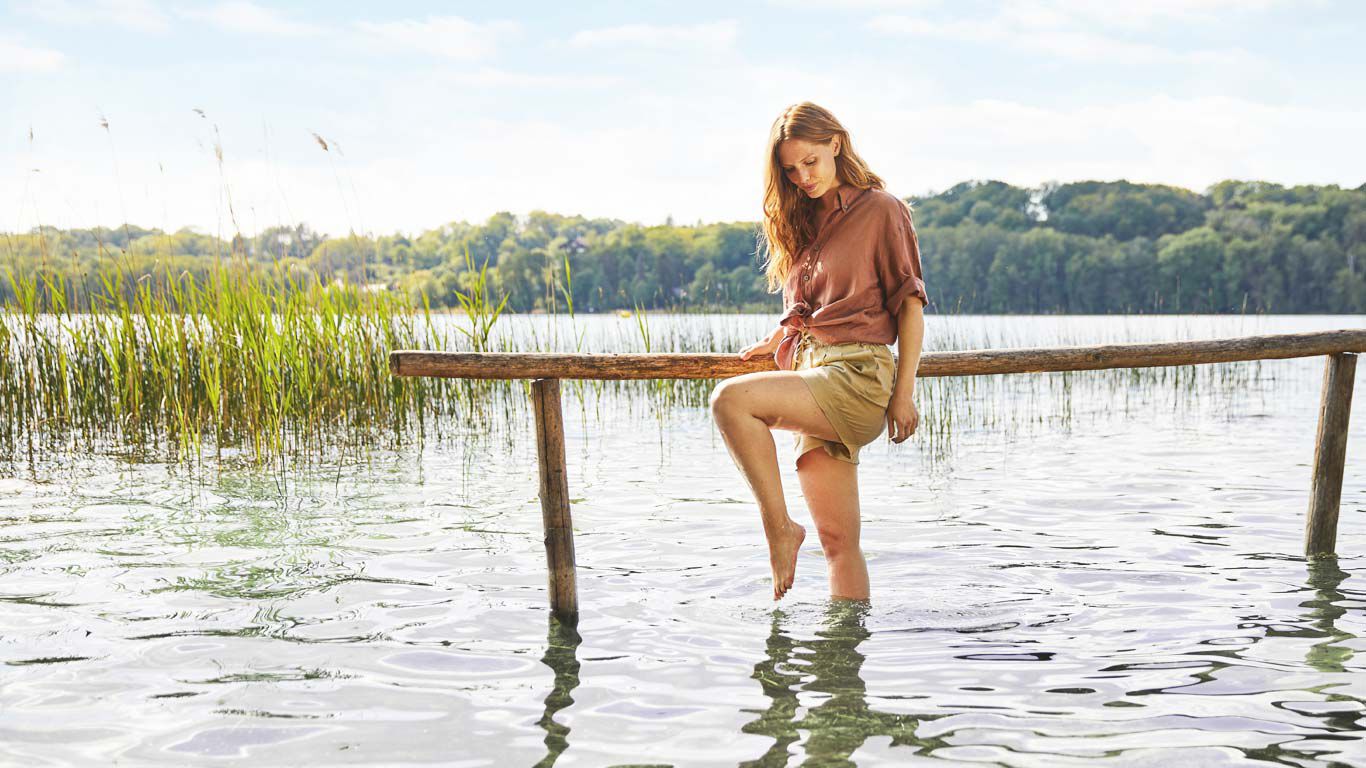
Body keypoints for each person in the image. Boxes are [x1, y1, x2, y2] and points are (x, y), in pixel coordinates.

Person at [709, 101, 928, 602]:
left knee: (730, 401)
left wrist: (903, 394)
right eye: (790, 170)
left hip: (857, 377)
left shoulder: (881, 209)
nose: (802, 177)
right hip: (814, 371)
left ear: (835, 143)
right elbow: (818, 308)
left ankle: (778, 530)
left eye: (810, 161)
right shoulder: (803, 222)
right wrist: (781, 337)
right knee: (839, 545)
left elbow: (910, 305)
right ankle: (844, 670)